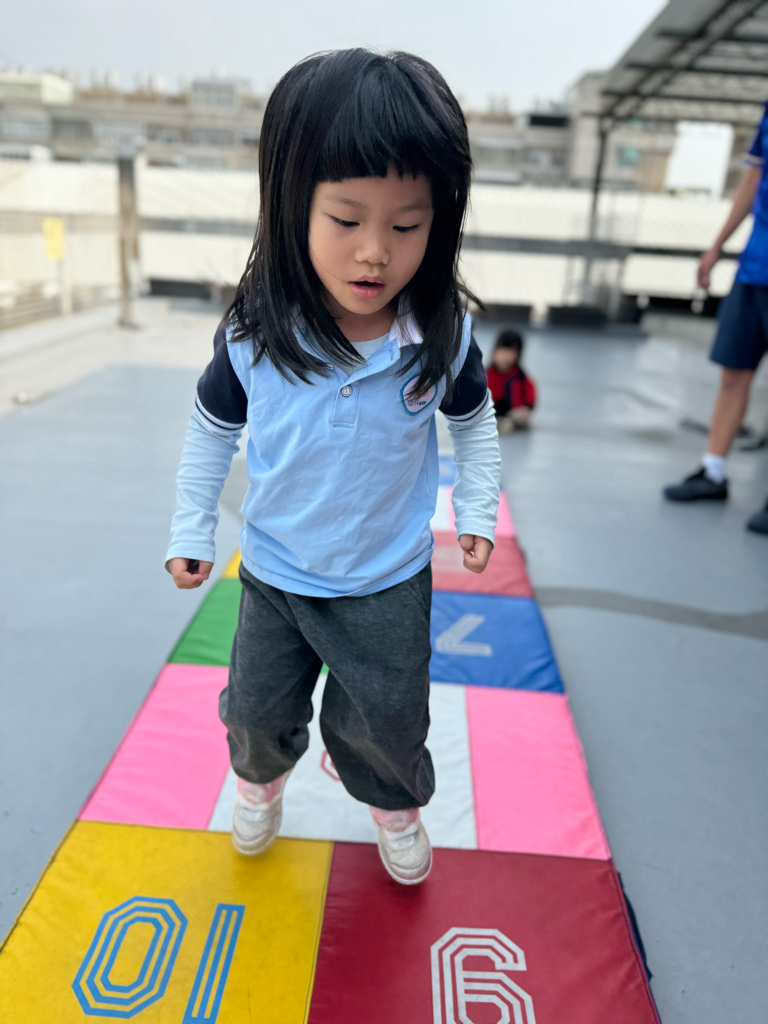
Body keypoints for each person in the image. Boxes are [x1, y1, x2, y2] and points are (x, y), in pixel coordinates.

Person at [165, 49, 501, 886]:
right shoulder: (254, 333)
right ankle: (260, 786)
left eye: (407, 226)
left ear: (440, 220)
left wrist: (476, 509)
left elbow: (474, 420)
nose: (375, 254)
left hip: (386, 579)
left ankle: (394, 809)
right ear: (292, 205)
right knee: (255, 712)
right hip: (276, 572)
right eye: (346, 220)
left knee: (386, 723)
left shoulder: (441, 334)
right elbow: (211, 428)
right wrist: (191, 526)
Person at [664, 101, 768, 535]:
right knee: (733, 373)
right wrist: (717, 245)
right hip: (755, 267)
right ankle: (713, 472)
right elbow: (755, 175)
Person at [486, 329, 537, 434]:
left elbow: (530, 391)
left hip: (513, 412)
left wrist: (527, 407)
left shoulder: (519, 376)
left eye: (510, 353)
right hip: (493, 411)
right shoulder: (487, 374)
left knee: (517, 417)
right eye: (502, 352)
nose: (505, 357)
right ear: (495, 352)